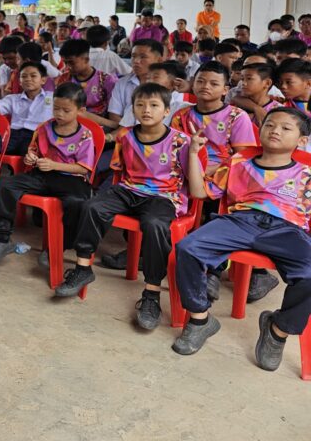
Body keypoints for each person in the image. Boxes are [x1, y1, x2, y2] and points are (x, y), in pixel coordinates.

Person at [55, 83, 206, 331]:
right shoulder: (125, 136)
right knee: (92, 206)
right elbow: (119, 172)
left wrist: (193, 153)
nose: (146, 110)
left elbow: (193, 184)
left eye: (154, 105)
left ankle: (151, 293)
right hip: (128, 189)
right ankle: (82, 268)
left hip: (164, 196)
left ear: (167, 110)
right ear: (133, 109)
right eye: (140, 105)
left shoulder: (181, 141)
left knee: (154, 224)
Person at [172, 108, 311, 369]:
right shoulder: (239, 162)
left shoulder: (306, 173)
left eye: (285, 128)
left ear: (302, 140)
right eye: (270, 125)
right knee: (188, 248)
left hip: (288, 229)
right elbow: (199, 192)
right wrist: (193, 153)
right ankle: (200, 319)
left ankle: (277, 330)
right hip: (240, 221)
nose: (275, 131)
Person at [0, 82, 97, 268]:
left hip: (71, 179)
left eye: (66, 110)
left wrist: (55, 165)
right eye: (56, 108)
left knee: (77, 203)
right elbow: (34, 152)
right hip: (43, 175)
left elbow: (84, 168)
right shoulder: (44, 128)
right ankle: (3, 240)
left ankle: (57, 248)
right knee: (5, 185)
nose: (59, 114)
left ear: (80, 111)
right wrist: (31, 158)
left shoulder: (85, 135)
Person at [0, 61, 53, 155]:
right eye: (24, 76)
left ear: (43, 80)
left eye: (33, 76)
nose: (28, 79)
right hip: (12, 135)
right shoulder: (13, 98)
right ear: (19, 81)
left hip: (36, 136)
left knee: (31, 153)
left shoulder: (52, 98)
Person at [56, 39, 119, 131]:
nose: (67, 67)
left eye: (71, 62)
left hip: (99, 126)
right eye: (65, 63)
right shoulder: (64, 79)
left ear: (86, 60)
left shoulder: (107, 80)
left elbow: (114, 111)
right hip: (69, 122)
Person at [231, 61, 282, 126]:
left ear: (267, 83)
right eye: (242, 79)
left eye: (249, 78)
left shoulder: (278, 110)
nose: (243, 83)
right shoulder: (235, 106)